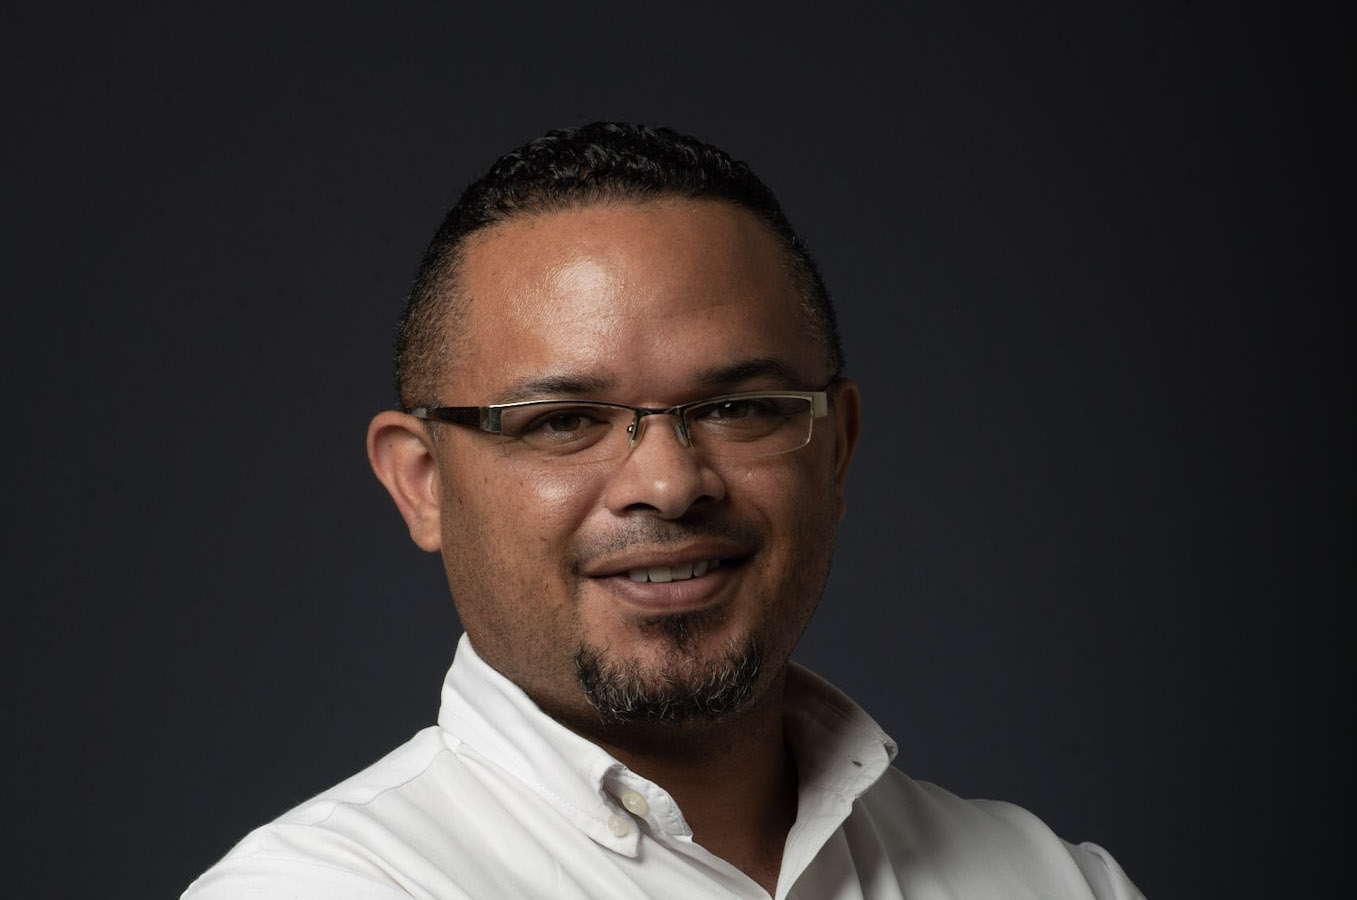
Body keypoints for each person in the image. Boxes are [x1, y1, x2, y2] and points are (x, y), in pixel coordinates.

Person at [183, 122, 1144, 899]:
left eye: (737, 408)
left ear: (835, 448)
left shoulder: (1054, 882)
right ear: (422, 481)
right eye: (564, 422)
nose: (669, 483)